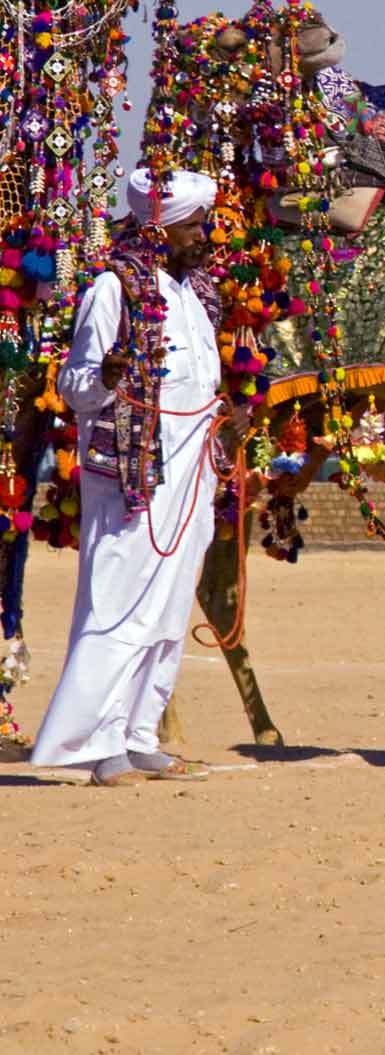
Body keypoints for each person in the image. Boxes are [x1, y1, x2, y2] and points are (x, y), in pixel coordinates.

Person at [31, 169, 225, 786]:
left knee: (168, 606)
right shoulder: (113, 290)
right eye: (193, 224)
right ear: (158, 227)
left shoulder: (196, 293)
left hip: (192, 473)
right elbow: (76, 389)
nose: (205, 234)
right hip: (133, 475)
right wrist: (109, 376)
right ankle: (92, 741)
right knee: (118, 601)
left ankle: (141, 734)